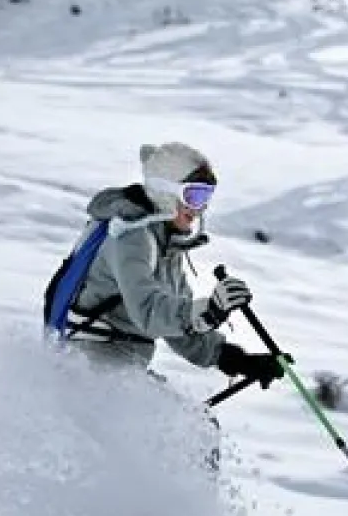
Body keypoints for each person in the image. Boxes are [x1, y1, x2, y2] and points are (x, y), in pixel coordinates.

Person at [43, 142, 285, 393]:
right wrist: (210, 310)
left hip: (119, 365)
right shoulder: (129, 236)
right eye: (193, 196)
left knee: (194, 424)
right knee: (183, 426)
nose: (199, 208)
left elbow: (178, 325)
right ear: (166, 191)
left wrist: (235, 359)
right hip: (90, 364)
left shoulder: (165, 242)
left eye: (205, 197)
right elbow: (148, 311)